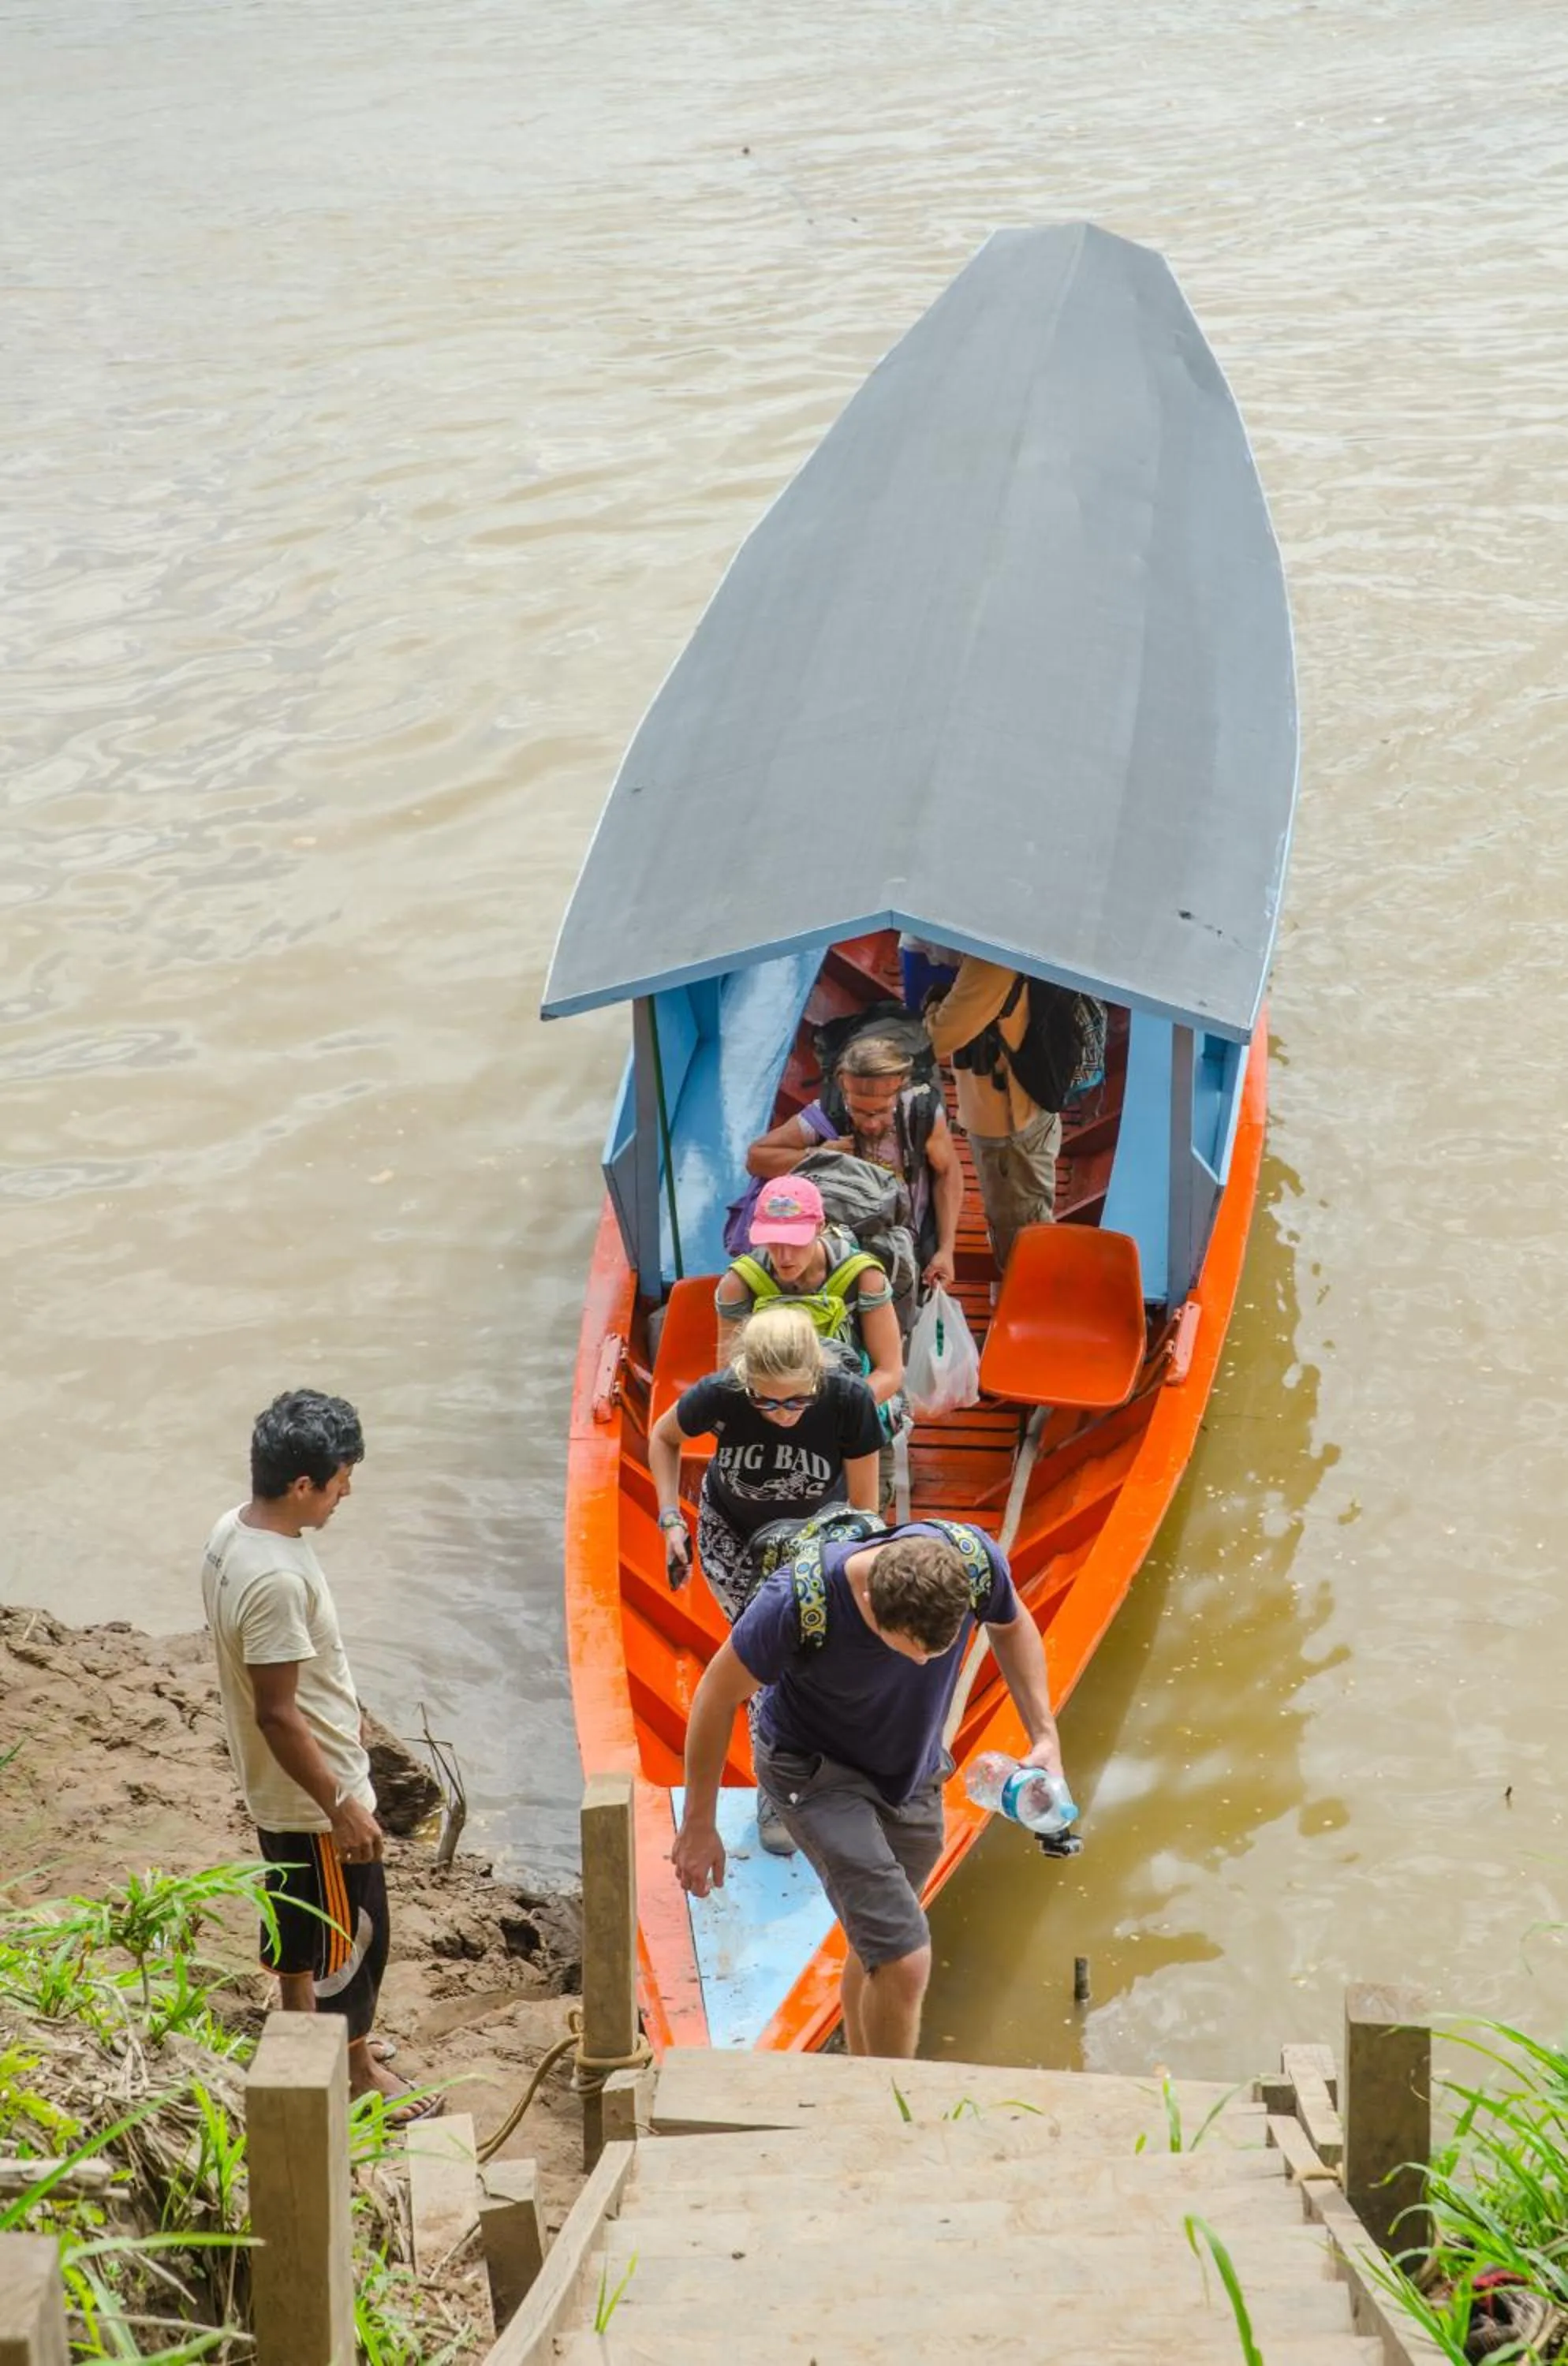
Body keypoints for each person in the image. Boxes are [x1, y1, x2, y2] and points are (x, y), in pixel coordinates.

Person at [670, 1518, 1067, 2058]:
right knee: (905, 1957)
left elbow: (1013, 1625)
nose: (927, 1663)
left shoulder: (974, 1559)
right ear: (870, 1606)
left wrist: (1045, 1736)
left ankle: (859, 2073)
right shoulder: (797, 1601)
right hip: (812, 1773)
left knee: (880, 1941)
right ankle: (885, 2116)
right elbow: (715, 1698)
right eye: (911, 1651)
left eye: (941, 1649)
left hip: (912, 1770)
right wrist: (699, 1825)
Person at [200, 1389, 434, 2123]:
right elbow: (277, 1712)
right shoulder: (275, 1578)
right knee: (354, 1933)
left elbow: (284, 1679)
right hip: (312, 1796)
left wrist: (348, 1710)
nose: (348, 1491)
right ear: (303, 1485)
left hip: (277, 1790)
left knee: (295, 1911)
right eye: (341, 1478)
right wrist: (341, 1805)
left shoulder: (233, 1534)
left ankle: (299, 2021)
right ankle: (356, 2066)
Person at [649, 1304, 882, 1854]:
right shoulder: (723, 1392)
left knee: (817, 1655)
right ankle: (775, 1792)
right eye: (765, 1400)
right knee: (767, 1661)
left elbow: (865, 1507)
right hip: (732, 1537)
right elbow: (663, 1437)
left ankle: (831, 1763)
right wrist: (667, 1520)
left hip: (815, 1536)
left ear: (817, 1379)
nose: (781, 1414)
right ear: (745, 1380)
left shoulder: (849, 1399)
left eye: (796, 1400)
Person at [744, 1032, 964, 1293]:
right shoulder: (827, 1114)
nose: (870, 1123)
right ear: (844, 1089)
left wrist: (946, 1250)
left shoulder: (921, 1114)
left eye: (881, 1112)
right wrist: (819, 1156)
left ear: (900, 1088)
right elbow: (756, 1157)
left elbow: (948, 1173)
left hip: (908, 1246)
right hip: (840, 1253)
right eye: (859, 1111)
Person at [715, 1175, 903, 1416]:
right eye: (773, 1241)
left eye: (796, 1241)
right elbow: (729, 1376)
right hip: (770, 1413)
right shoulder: (738, 1284)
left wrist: (834, 1417)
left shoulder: (864, 1278)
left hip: (846, 1409)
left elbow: (890, 1372)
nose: (784, 1256)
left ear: (820, 1227)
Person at [924, 957, 1061, 1274]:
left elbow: (938, 1038)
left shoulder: (991, 965)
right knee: (1027, 1213)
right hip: (1031, 1102)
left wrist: (931, 1003)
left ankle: (1027, 1300)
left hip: (1006, 1123)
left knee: (1020, 1228)